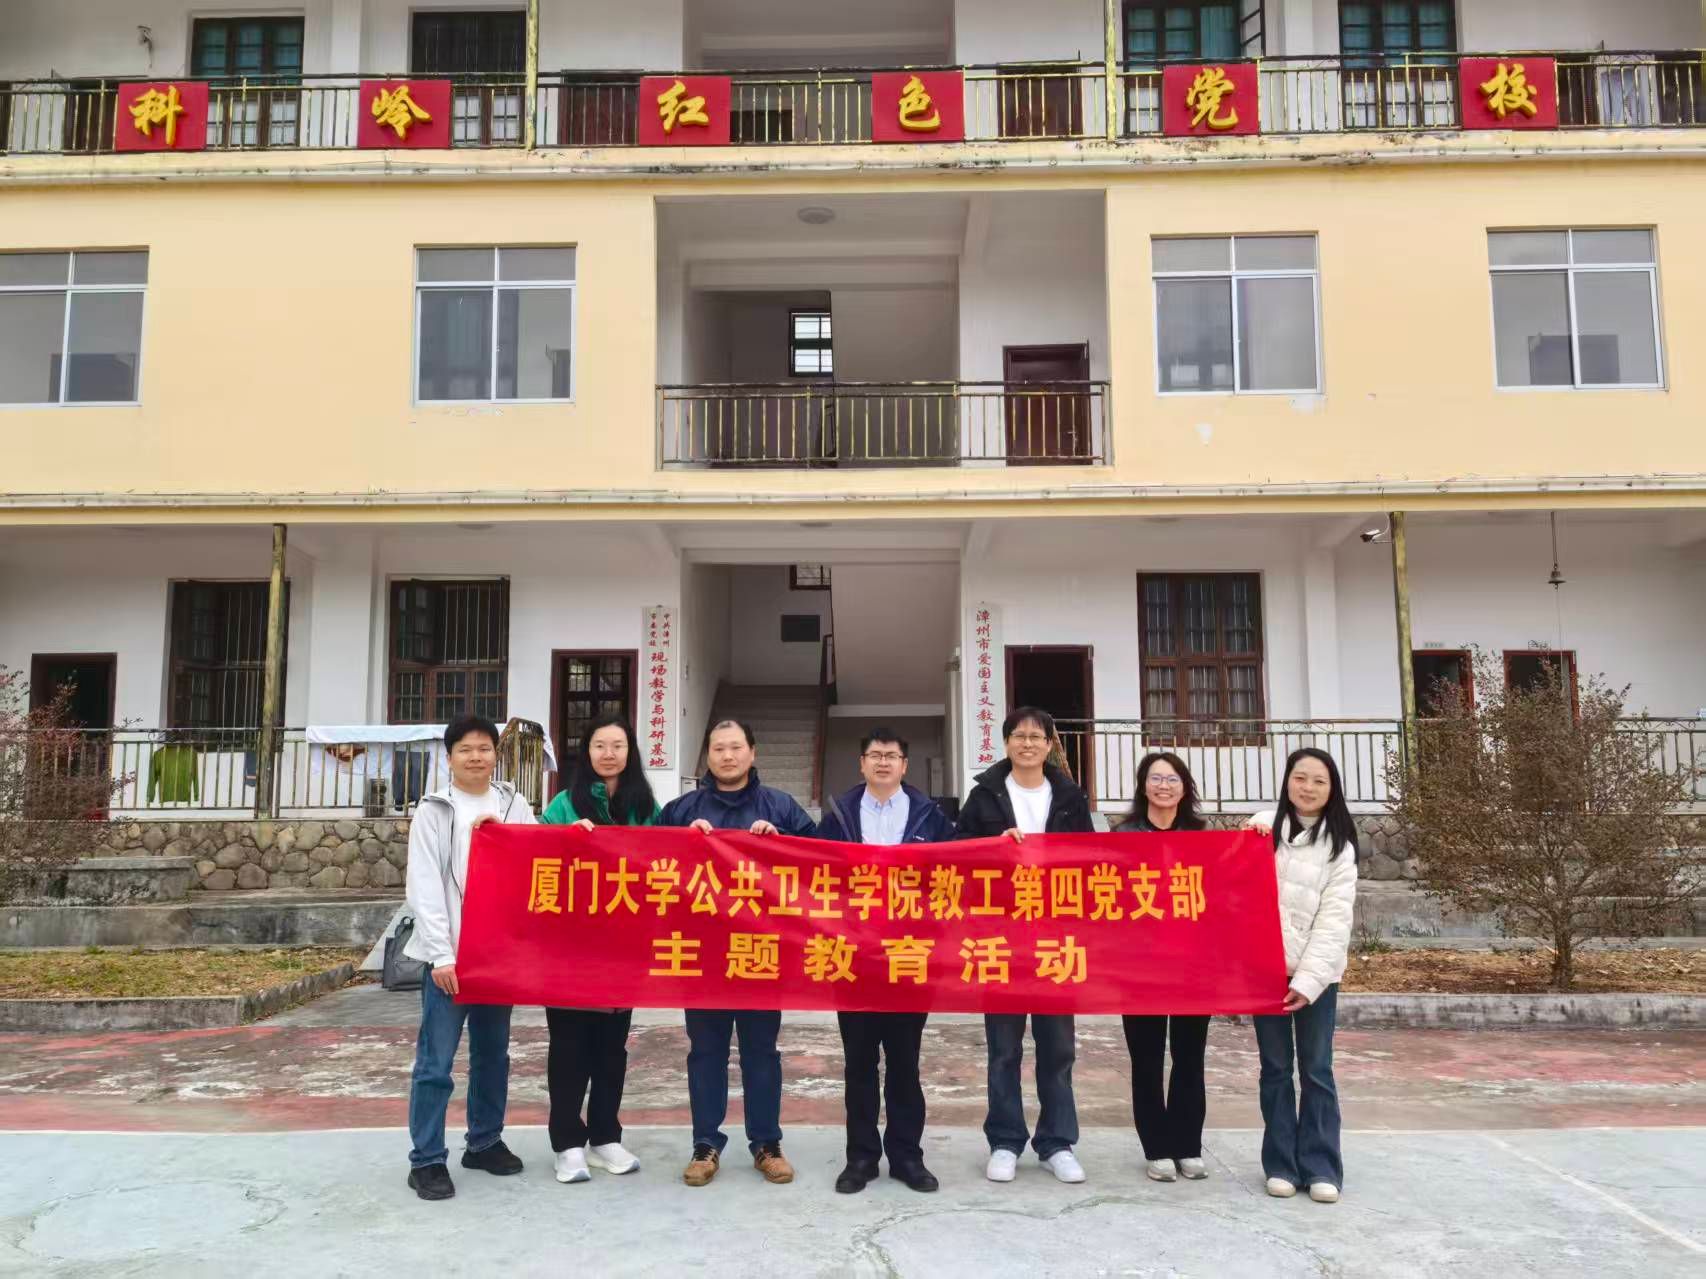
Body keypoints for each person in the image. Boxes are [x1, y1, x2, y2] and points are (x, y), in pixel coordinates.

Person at [657, 718, 817, 1188]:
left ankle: (767, 1143)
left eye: (735, 747)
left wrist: (783, 844)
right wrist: (682, 842)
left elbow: (820, 864)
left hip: (761, 950)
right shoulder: (681, 810)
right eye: (718, 748)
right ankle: (705, 1144)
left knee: (761, 1052)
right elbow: (649, 865)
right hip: (702, 950)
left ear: (752, 752)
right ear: (707, 755)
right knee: (705, 1051)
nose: (727, 756)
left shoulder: (781, 807)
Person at [955, 707, 1095, 1186]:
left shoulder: (1070, 797)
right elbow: (958, 856)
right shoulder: (984, 796)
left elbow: (1091, 861)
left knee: (1058, 1048)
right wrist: (994, 846)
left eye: (1037, 736)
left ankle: (1057, 1143)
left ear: (1050, 744)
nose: (1028, 744)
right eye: (1019, 735)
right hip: (1001, 937)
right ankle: (1005, 1141)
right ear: (1006, 742)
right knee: (1004, 1049)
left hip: (1056, 937)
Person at [402, 714, 538, 1201]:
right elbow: (425, 886)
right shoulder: (433, 811)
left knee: (492, 1056)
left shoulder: (514, 804)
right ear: (450, 757)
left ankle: (484, 1142)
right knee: (436, 1062)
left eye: (484, 748)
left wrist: (503, 834)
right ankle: (427, 1160)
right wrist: (441, 955)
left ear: (495, 754)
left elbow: (536, 860)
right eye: (465, 749)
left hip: (496, 959)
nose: (476, 756)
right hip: (452, 960)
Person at [816, 727, 958, 1196]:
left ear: (904, 765)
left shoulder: (930, 816)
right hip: (853, 958)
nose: (882, 762)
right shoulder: (838, 816)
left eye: (891, 756)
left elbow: (957, 872)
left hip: (909, 957)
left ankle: (906, 1157)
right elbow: (812, 873)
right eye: (874, 755)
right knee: (858, 1064)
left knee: (904, 1063)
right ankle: (860, 1158)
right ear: (861, 764)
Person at [538, 713, 659, 1186]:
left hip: (622, 948)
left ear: (630, 752)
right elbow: (536, 860)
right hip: (569, 949)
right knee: (569, 1047)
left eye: (618, 745)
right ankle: (567, 1144)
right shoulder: (564, 804)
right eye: (599, 745)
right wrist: (565, 842)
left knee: (612, 1048)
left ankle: (606, 1136)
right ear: (586, 752)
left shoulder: (645, 806)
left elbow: (668, 862)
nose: (609, 754)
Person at [1246, 747, 1358, 1205]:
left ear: (1331, 790)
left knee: (1316, 1069)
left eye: (1318, 780)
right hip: (1265, 972)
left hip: (1317, 978)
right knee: (1275, 1070)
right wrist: (1252, 831)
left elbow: (1335, 922)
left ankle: (1321, 1165)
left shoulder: (1339, 848)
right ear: (1287, 781)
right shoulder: (1261, 832)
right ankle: (1281, 1164)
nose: (1307, 787)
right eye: (1300, 777)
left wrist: (1308, 982)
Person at [1118, 752, 1211, 1185]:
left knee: (1190, 1057)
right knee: (1147, 1059)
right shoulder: (1123, 837)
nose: (1163, 786)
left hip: (1193, 966)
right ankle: (1156, 1147)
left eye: (1172, 779)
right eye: (1155, 778)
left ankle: (1188, 1145)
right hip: (1140, 968)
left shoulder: (1203, 836)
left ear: (1184, 787)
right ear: (1143, 786)